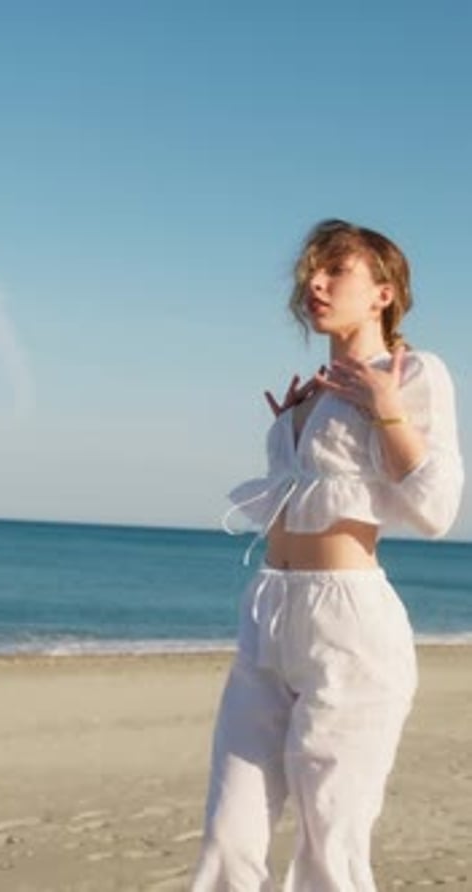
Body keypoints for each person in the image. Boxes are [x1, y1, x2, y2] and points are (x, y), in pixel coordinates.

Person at [190, 219, 463, 892]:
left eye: (335, 270)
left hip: (349, 627)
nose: (314, 282)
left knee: (329, 851)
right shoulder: (308, 396)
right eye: (310, 270)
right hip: (268, 612)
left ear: (382, 293)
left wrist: (386, 409)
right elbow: (302, 500)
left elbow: (435, 509)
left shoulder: (412, 373)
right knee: (228, 837)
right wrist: (290, 431)